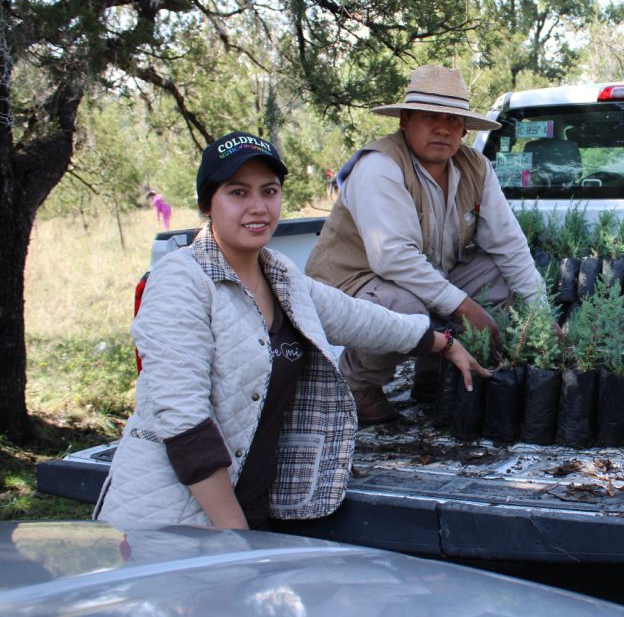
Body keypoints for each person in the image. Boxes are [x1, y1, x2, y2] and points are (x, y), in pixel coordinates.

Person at [95, 131, 488, 530]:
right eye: (238, 193)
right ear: (206, 203)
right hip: (177, 522)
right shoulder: (182, 280)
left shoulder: (278, 274)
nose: (258, 207)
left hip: (254, 511)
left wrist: (442, 343)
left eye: (269, 191)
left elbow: (358, 318)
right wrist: (234, 533)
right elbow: (183, 422)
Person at [306, 65, 546, 425]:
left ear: (464, 129)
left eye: (453, 119)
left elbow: (508, 243)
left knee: (498, 275)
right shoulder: (380, 166)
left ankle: (434, 378)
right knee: (406, 308)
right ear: (405, 120)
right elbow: (393, 259)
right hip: (352, 283)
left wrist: (542, 315)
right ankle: (358, 388)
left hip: (422, 275)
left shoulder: (475, 165)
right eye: (429, 116)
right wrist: (464, 306)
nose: (442, 128)